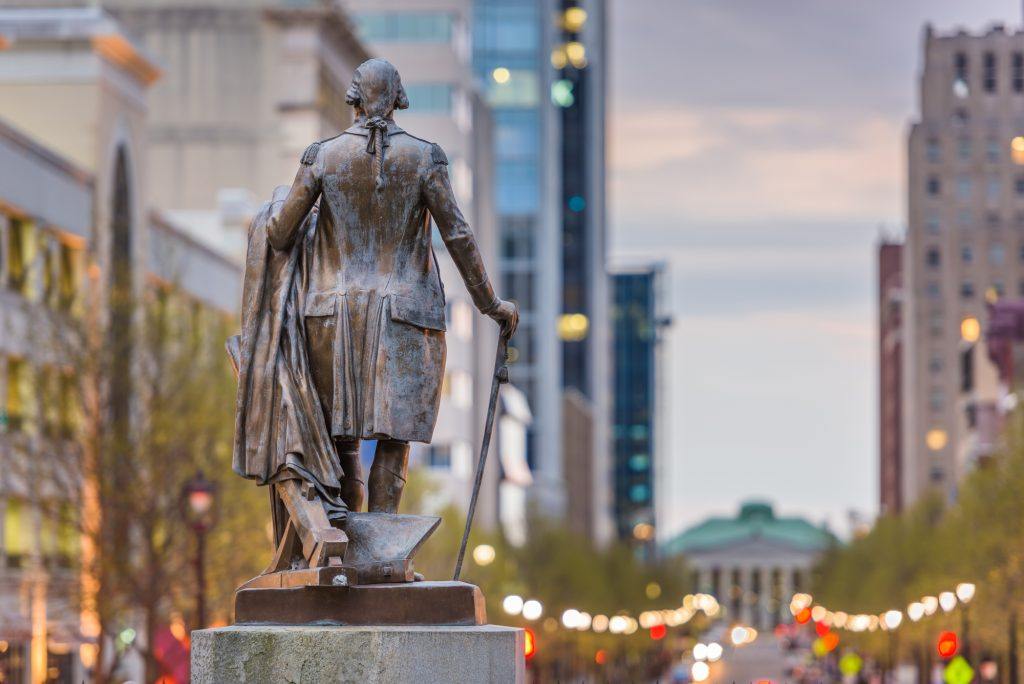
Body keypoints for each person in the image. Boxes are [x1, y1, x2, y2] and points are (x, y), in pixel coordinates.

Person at [232, 58, 517, 571]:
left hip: (329, 316)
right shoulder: (426, 158)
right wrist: (490, 305)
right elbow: (458, 236)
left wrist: (274, 206)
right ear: (400, 96)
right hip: (405, 314)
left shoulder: (321, 156)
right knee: (393, 437)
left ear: (354, 98)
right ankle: (383, 562)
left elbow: (279, 234)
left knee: (339, 437)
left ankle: (342, 556)